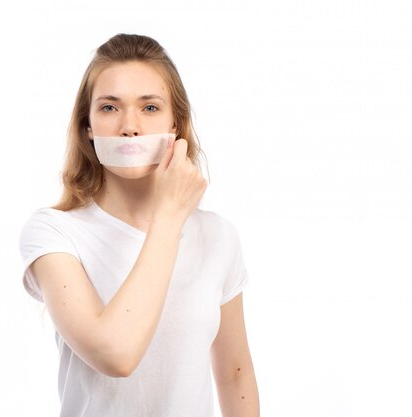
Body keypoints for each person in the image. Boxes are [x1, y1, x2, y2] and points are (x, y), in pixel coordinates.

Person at [19, 33, 259, 417]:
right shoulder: (54, 233)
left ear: (175, 124)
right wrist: (168, 217)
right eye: (110, 108)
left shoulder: (218, 236)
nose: (130, 127)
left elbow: (234, 373)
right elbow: (117, 354)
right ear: (88, 128)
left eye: (149, 107)